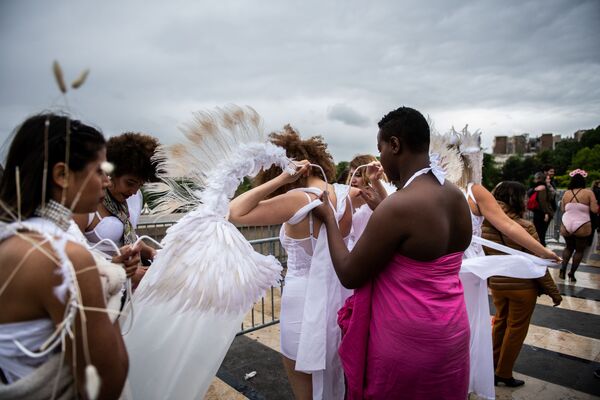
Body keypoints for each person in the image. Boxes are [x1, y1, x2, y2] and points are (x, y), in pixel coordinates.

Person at [313, 107, 472, 399]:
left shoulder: (400, 206)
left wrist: (328, 220)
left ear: (395, 145)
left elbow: (349, 273)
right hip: (452, 333)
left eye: (381, 148)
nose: (382, 158)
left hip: (410, 341)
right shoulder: (455, 196)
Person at [0, 113, 129, 398]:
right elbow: (107, 381)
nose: (106, 182)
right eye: (99, 171)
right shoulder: (64, 257)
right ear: (61, 175)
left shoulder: (13, 238)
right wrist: (110, 285)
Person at [229, 125, 357, 399]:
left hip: (302, 304)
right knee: (337, 376)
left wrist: (279, 181)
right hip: (338, 301)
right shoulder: (346, 196)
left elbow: (234, 212)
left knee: (304, 389)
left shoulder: (297, 199)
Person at [442, 125, 559, 399]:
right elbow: (508, 225)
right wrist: (541, 250)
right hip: (467, 267)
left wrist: (540, 251)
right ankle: (464, 381)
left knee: (446, 325)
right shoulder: (474, 191)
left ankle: (448, 380)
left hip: (442, 264)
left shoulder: (436, 189)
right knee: (468, 326)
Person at [482, 181, 562, 387]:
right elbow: (539, 263)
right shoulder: (525, 226)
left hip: (498, 286)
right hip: (522, 288)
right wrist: (554, 293)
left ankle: (490, 367)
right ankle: (504, 372)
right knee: (516, 329)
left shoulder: (485, 224)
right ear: (517, 199)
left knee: (500, 324)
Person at [74, 132, 159, 287]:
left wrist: (151, 252)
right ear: (112, 173)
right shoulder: (86, 202)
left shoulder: (135, 197)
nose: (133, 191)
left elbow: (130, 234)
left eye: (140, 185)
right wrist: (122, 274)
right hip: (101, 284)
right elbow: (70, 255)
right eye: (130, 183)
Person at [559, 169, 599, 282]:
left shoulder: (566, 193)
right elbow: (594, 210)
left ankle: (562, 268)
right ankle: (572, 273)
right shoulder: (588, 193)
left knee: (568, 247)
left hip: (566, 223)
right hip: (582, 223)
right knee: (579, 250)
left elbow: (562, 209)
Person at [529, 172, 554, 246]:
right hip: (542, 213)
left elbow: (542, 201)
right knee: (541, 234)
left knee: (539, 233)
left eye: (535, 178)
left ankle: (540, 250)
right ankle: (541, 250)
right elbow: (545, 200)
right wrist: (546, 213)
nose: (534, 180)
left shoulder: (538, 188)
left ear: (539, 179)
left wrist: (545, 213)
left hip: (540, 213)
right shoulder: (542, 187)